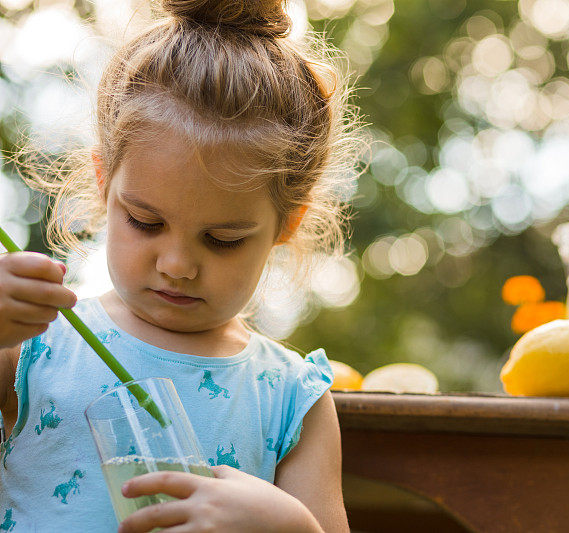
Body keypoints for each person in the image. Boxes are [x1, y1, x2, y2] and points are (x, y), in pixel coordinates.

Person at [0, 0, 361, 530]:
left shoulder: (290, 397)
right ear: (105, 184)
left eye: (223, 239)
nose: (177, 265)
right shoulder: (36, 345)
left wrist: (288, 527)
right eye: (146, 222)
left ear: (288, 223)